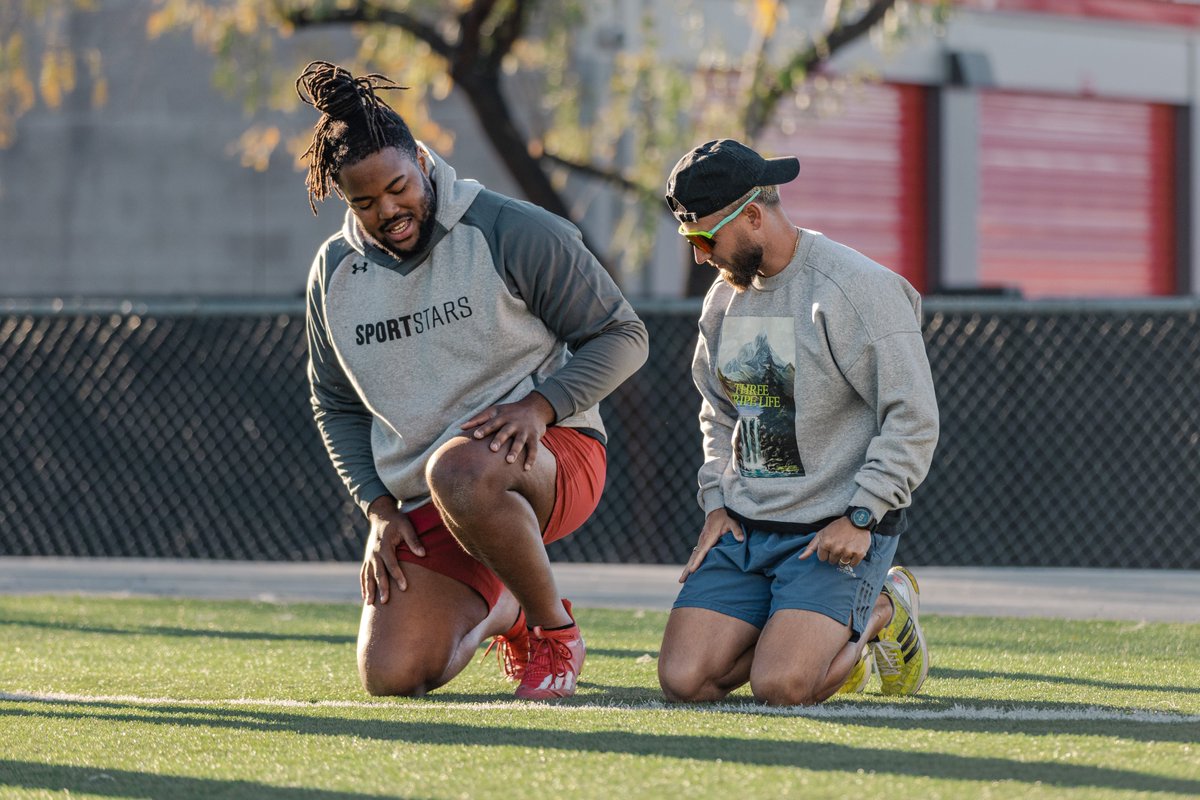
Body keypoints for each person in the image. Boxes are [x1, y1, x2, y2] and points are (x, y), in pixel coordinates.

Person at [297, 61, 648, 701]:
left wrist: (541, 407)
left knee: (459, 470)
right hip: (436, 491)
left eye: (398, 187)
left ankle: (554, 632)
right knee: (392, 675)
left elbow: (624, 335)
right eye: (364, 202)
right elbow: (335, 405)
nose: (388, 211)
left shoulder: (511, 229)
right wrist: (378, 510)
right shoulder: (336, 274)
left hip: (548, 456)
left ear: (424, 161)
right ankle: (507, 609)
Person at [657, 139, 939, 706]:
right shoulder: (721, 302)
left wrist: (863, 514)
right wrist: (715, 500)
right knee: (685, 681)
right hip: (747, 525)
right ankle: (808, 626)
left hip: (836, 531)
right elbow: (717, 410)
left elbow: (912, 417)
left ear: (754, 216)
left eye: (703, 238)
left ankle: (885, 607)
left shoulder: (854, 289)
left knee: (784, 687)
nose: (698, 256)